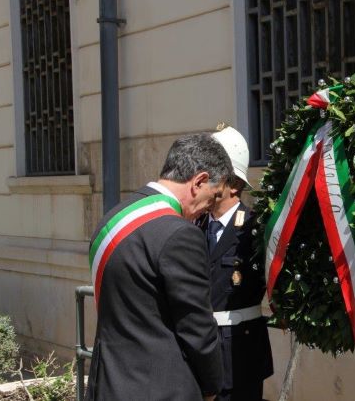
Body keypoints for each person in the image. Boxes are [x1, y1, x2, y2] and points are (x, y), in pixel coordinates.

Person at [85, 133, 232, 401]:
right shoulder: (180, 234)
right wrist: (212, 386)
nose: (209, 209)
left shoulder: (113, 218)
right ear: (199, 182)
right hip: (162, 388)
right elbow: (196, 326)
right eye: (213, 197)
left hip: (109, 384)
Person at [196, 126, 273, 401]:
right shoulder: (197, 225)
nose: (204, 182)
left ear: (234, 184)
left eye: (213, 176)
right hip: (202, 352)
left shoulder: (254, 228)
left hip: (240, 354)